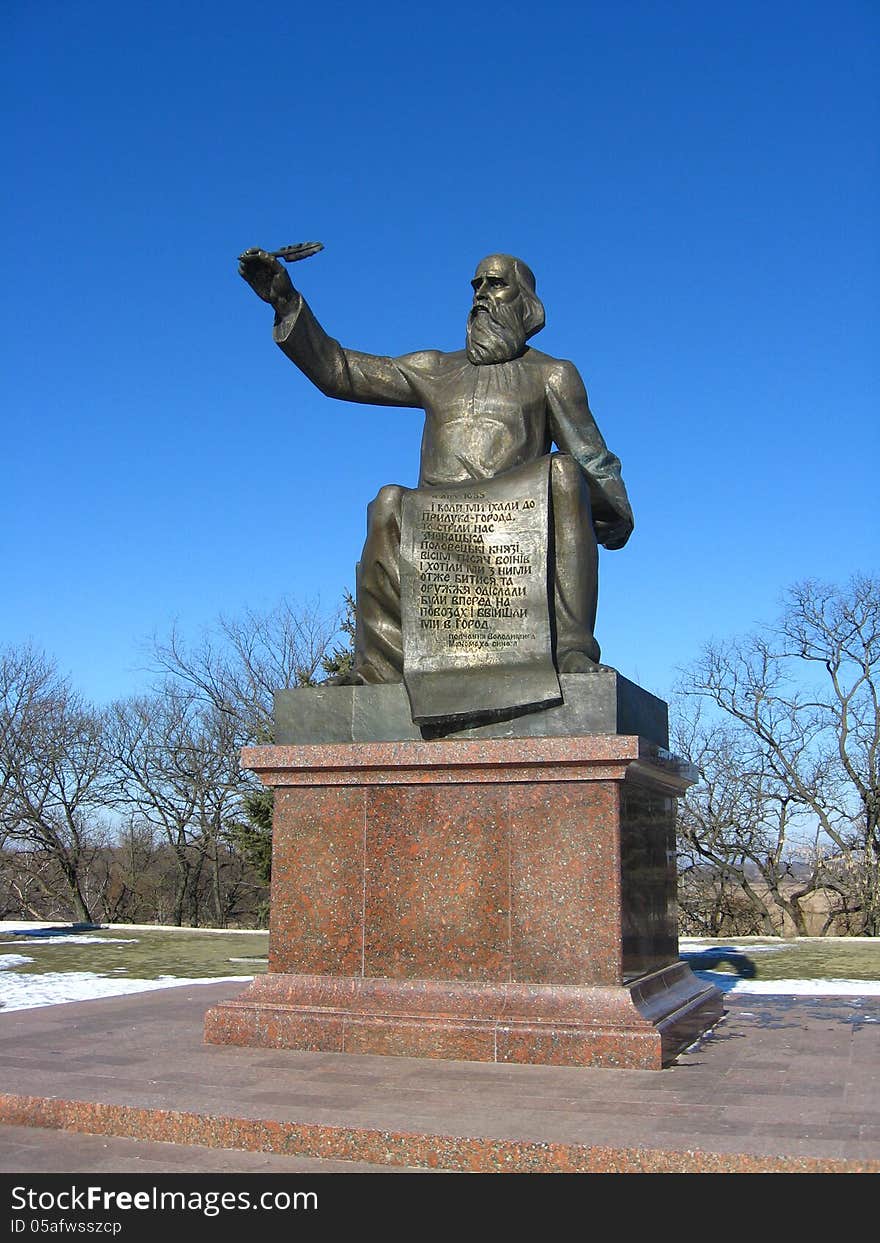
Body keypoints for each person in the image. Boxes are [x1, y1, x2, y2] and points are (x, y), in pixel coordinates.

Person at [239, 248, 634, 685]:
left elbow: (590, 455)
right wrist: (286, 301)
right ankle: (378, 670)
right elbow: (340, 371)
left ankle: (571, 651)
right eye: (476, 285)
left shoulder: (552, 373)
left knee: (562, 472)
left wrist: (611, 510)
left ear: (527, 302)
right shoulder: (436, 368)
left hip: (513, 517)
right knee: (388, 501)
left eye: (496, 283)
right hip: (438, 516)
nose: (481, 294)